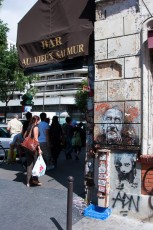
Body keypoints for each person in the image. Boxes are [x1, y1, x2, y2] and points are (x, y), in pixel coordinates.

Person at [24, 115, 42, 187]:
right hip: (33, 148)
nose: (39, 122)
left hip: (27, 147)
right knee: (36, 164)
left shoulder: (29, 126)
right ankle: (35, 180)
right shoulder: (35, 127)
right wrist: (39, 149)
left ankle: (28, 182)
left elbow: (24, 136)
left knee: (29, 164)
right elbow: (36, 139)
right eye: (39, 120)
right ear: (37, 120)